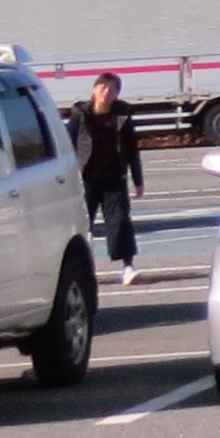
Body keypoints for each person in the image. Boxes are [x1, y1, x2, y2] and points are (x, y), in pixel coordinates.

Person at [75, 74, 145, 287]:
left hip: (114, 177)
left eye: (113, 89)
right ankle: (81, 271)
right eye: (103, 87)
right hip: (86, 179)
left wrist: (138, 179)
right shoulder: (80, 114)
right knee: (82, 226)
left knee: (120, 222)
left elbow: (132, 148)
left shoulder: (122, 115)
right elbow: (68, 144)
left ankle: (128, 267)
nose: (107, 93)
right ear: (94, 90)